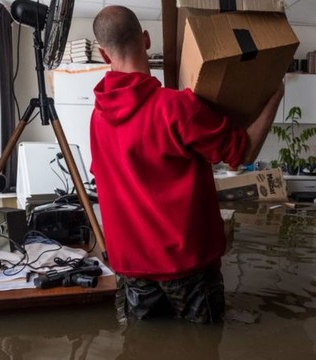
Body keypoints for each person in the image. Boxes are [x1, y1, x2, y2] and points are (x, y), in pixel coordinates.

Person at [90, 6, 283, 324]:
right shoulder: (177, 107)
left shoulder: (97, 120)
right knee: (202, 349)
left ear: (102, 54)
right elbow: (243, 153)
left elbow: (109, 181)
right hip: (188, 267)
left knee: (141, 350)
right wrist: (274, 96)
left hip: (132, 269)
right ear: (146, 40)